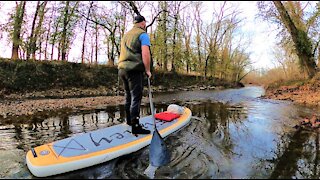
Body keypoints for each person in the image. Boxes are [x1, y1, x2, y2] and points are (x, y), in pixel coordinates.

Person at [118, 14, 152, 135]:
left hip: (122, 69)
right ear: (143, 23)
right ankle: (136, 126)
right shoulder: (143, 34)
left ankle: (129, 121)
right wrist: (147, 70)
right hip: (134, 69)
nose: (145, 25)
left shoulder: (126, 35)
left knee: (128, 96)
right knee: (136, 97)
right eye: (145, 24)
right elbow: (145, 54)